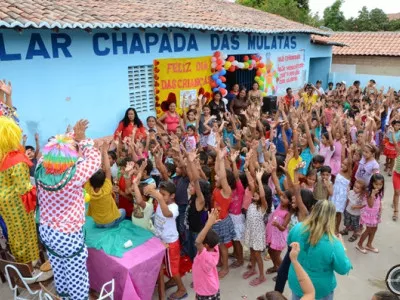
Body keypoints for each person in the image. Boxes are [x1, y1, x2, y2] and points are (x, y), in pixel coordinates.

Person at [36, 120, 101, 299]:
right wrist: (82, 139)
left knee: (59, 270)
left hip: (47, 231)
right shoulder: (74, 175)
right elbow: (95, 160)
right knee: (77, 278)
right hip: (68, 234)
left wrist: (69, 137)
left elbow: (49, 150)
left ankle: (64, 296)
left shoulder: (40, 168)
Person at [0, 116, 49, 279]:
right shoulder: (16, 160)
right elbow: (23, 187)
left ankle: (25, 268)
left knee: (15, 237)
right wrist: (37, 187)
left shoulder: (3, 158)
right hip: (19, 205)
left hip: (6, 206)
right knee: (25, 236)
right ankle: (30, 272)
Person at [288, 200, 352, 300]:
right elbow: (343, 269)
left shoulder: (298, 227)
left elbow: (289, 242)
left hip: (297, 281)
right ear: (332, 218)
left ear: (313, 211)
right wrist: (343, 248)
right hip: (320, 290)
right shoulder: (334, 243)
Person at [150, 181, 187, 300]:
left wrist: (159, 198)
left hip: (170, 242)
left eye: (164, 194)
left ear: (172, 196)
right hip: (161, 240)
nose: (160, 195)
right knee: (166, 265)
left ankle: (182, 289)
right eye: (160, 193)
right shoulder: (162, 201)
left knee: (173, 268)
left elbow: (167, 214)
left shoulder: (174, 207)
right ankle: (172, 281)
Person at [85, 143, 126, 228]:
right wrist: (104, 151)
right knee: (123, 211)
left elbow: (90, 171)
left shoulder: (87, 188)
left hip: (97, 223)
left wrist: (96, 151)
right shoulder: (107, 188)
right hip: (109, 223)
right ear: (104, 180)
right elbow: (108, 169)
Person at [242, 169, 269, 286]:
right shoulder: (253, 203)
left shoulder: (263, 206)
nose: (256, 193)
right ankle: (253, 269)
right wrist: (247, 170)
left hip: (257, 234)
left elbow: (262, 195)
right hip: (251, 232)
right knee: (252, 251)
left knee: (257, 255)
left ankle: (262, 276)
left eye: (258, 192)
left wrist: (259, 179)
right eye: (255, 192)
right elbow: (252, 185)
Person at [192, 208, 221, 300]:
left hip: (206, 293)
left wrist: (208, 224)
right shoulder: (214, 247)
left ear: (206, 245)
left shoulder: (205, 256)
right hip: (209, 288)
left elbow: (198, 242)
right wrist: (209, 224)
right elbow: (206, 236)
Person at [356, 173, 385, 254]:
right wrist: (372, 194)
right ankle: (359, 244)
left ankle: (369, 244)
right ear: (372, 183)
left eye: (380, 184)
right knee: (368, 230)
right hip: (369, 214)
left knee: (375, 229)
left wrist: (380, 210)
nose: (378, 186)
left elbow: (379, 201)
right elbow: (371, 205)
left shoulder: (380, 192)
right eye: (376, 184)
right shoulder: (369, 192)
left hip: (376, 214)